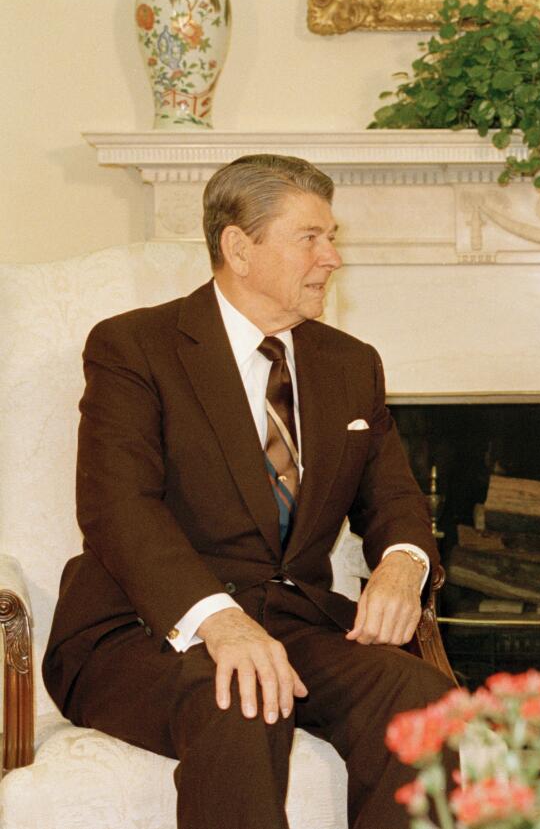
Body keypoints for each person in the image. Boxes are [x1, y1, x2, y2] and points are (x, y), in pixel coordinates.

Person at [43, 154, 453, 829]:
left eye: (334, 235)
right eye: (311, 237)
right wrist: (218, 621)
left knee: (425, 704)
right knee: (242, 693)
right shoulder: (135, 347)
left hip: (292, 623)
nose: (334, 258)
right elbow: (118, 510)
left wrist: (403, 565)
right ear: (239, 246)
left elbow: (393, 500)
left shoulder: (351, 365)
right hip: (140, 631)